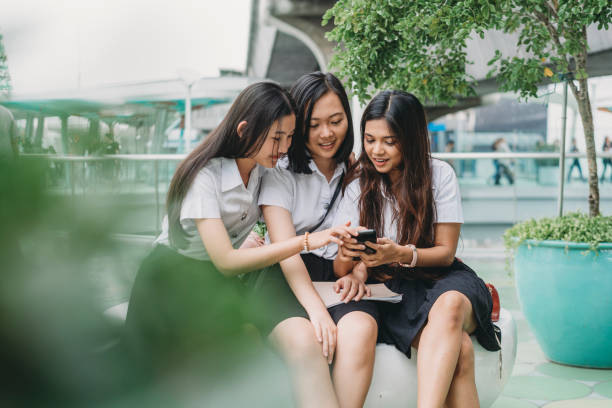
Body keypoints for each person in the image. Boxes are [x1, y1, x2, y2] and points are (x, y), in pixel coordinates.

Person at [123, 82, 353, 372]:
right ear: (244, 130)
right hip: (171, 280)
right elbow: (226, 262)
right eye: (276, 138)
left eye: (290, 137)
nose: (284, 149)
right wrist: (307, 241)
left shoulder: (262, 171)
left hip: (213, 282)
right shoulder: (204, 178)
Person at [334, 91, 500, 408]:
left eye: (389, 141)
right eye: (369, 139)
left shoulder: (440, 175)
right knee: (461, 352)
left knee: (450, 307)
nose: (376, 150)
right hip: (394, 288)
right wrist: (355, 264)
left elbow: (446, 254)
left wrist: (401, 253)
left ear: (410, 139)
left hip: (442, 277)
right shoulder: (358, 185)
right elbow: (345, 265)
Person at [253, 72, 378, 408]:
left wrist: (358, 273)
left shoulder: (359, 172)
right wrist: (316, 312)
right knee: (308, 341)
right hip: (285, 277)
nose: (326, 133)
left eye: (336, 121)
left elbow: (362, 240)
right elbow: (285, 252)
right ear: (298, 126)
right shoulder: (278, 173)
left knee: (361, 329)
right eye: (314, 124)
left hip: (337, 277)